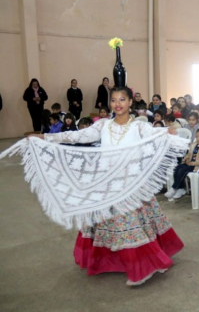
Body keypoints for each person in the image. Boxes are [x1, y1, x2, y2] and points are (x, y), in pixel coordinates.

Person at [21, 86, 186, 286]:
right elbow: (75, 136)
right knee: (102, 223)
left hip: (130, 184)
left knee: (129, 225)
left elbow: (157, 134)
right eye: (114, 100)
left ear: (130, 102)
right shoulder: (102, 126)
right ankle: (108, 261)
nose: (118, 104)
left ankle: (141, 266)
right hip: (106, 182)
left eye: (122, 99)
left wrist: (168, 132)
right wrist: (44, 137)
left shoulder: (139, 127)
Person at [165, 129, 199, 200]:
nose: (198, 138)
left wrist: (193, 163)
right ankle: (180, 188)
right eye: (197, 136)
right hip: (190, 163)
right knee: (177, 168)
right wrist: (186, 159)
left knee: (182, 170)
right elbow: (189, 154)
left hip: (197, 166)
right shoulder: (194, 145)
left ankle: (174, 188)